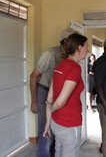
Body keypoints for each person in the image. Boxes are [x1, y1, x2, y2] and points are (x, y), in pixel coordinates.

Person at [30, 27, 75, 157]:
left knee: (57, 129)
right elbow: (33, 76)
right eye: (73, 40)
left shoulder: (70, 56)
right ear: (66, 41)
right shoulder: (50, 53)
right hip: (45, 92)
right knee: (46, 130)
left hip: (59, 95)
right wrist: (34, 101)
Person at [43, 33, 88, 156]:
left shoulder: (60, 65)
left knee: (59, 153)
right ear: (79, 48)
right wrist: (52, 110)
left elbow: (49, 98)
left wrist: (48, 122)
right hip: (69, 123)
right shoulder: (75, 68)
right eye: (86, 47)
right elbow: (60, 102)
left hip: (56, 123)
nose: (88, 50)